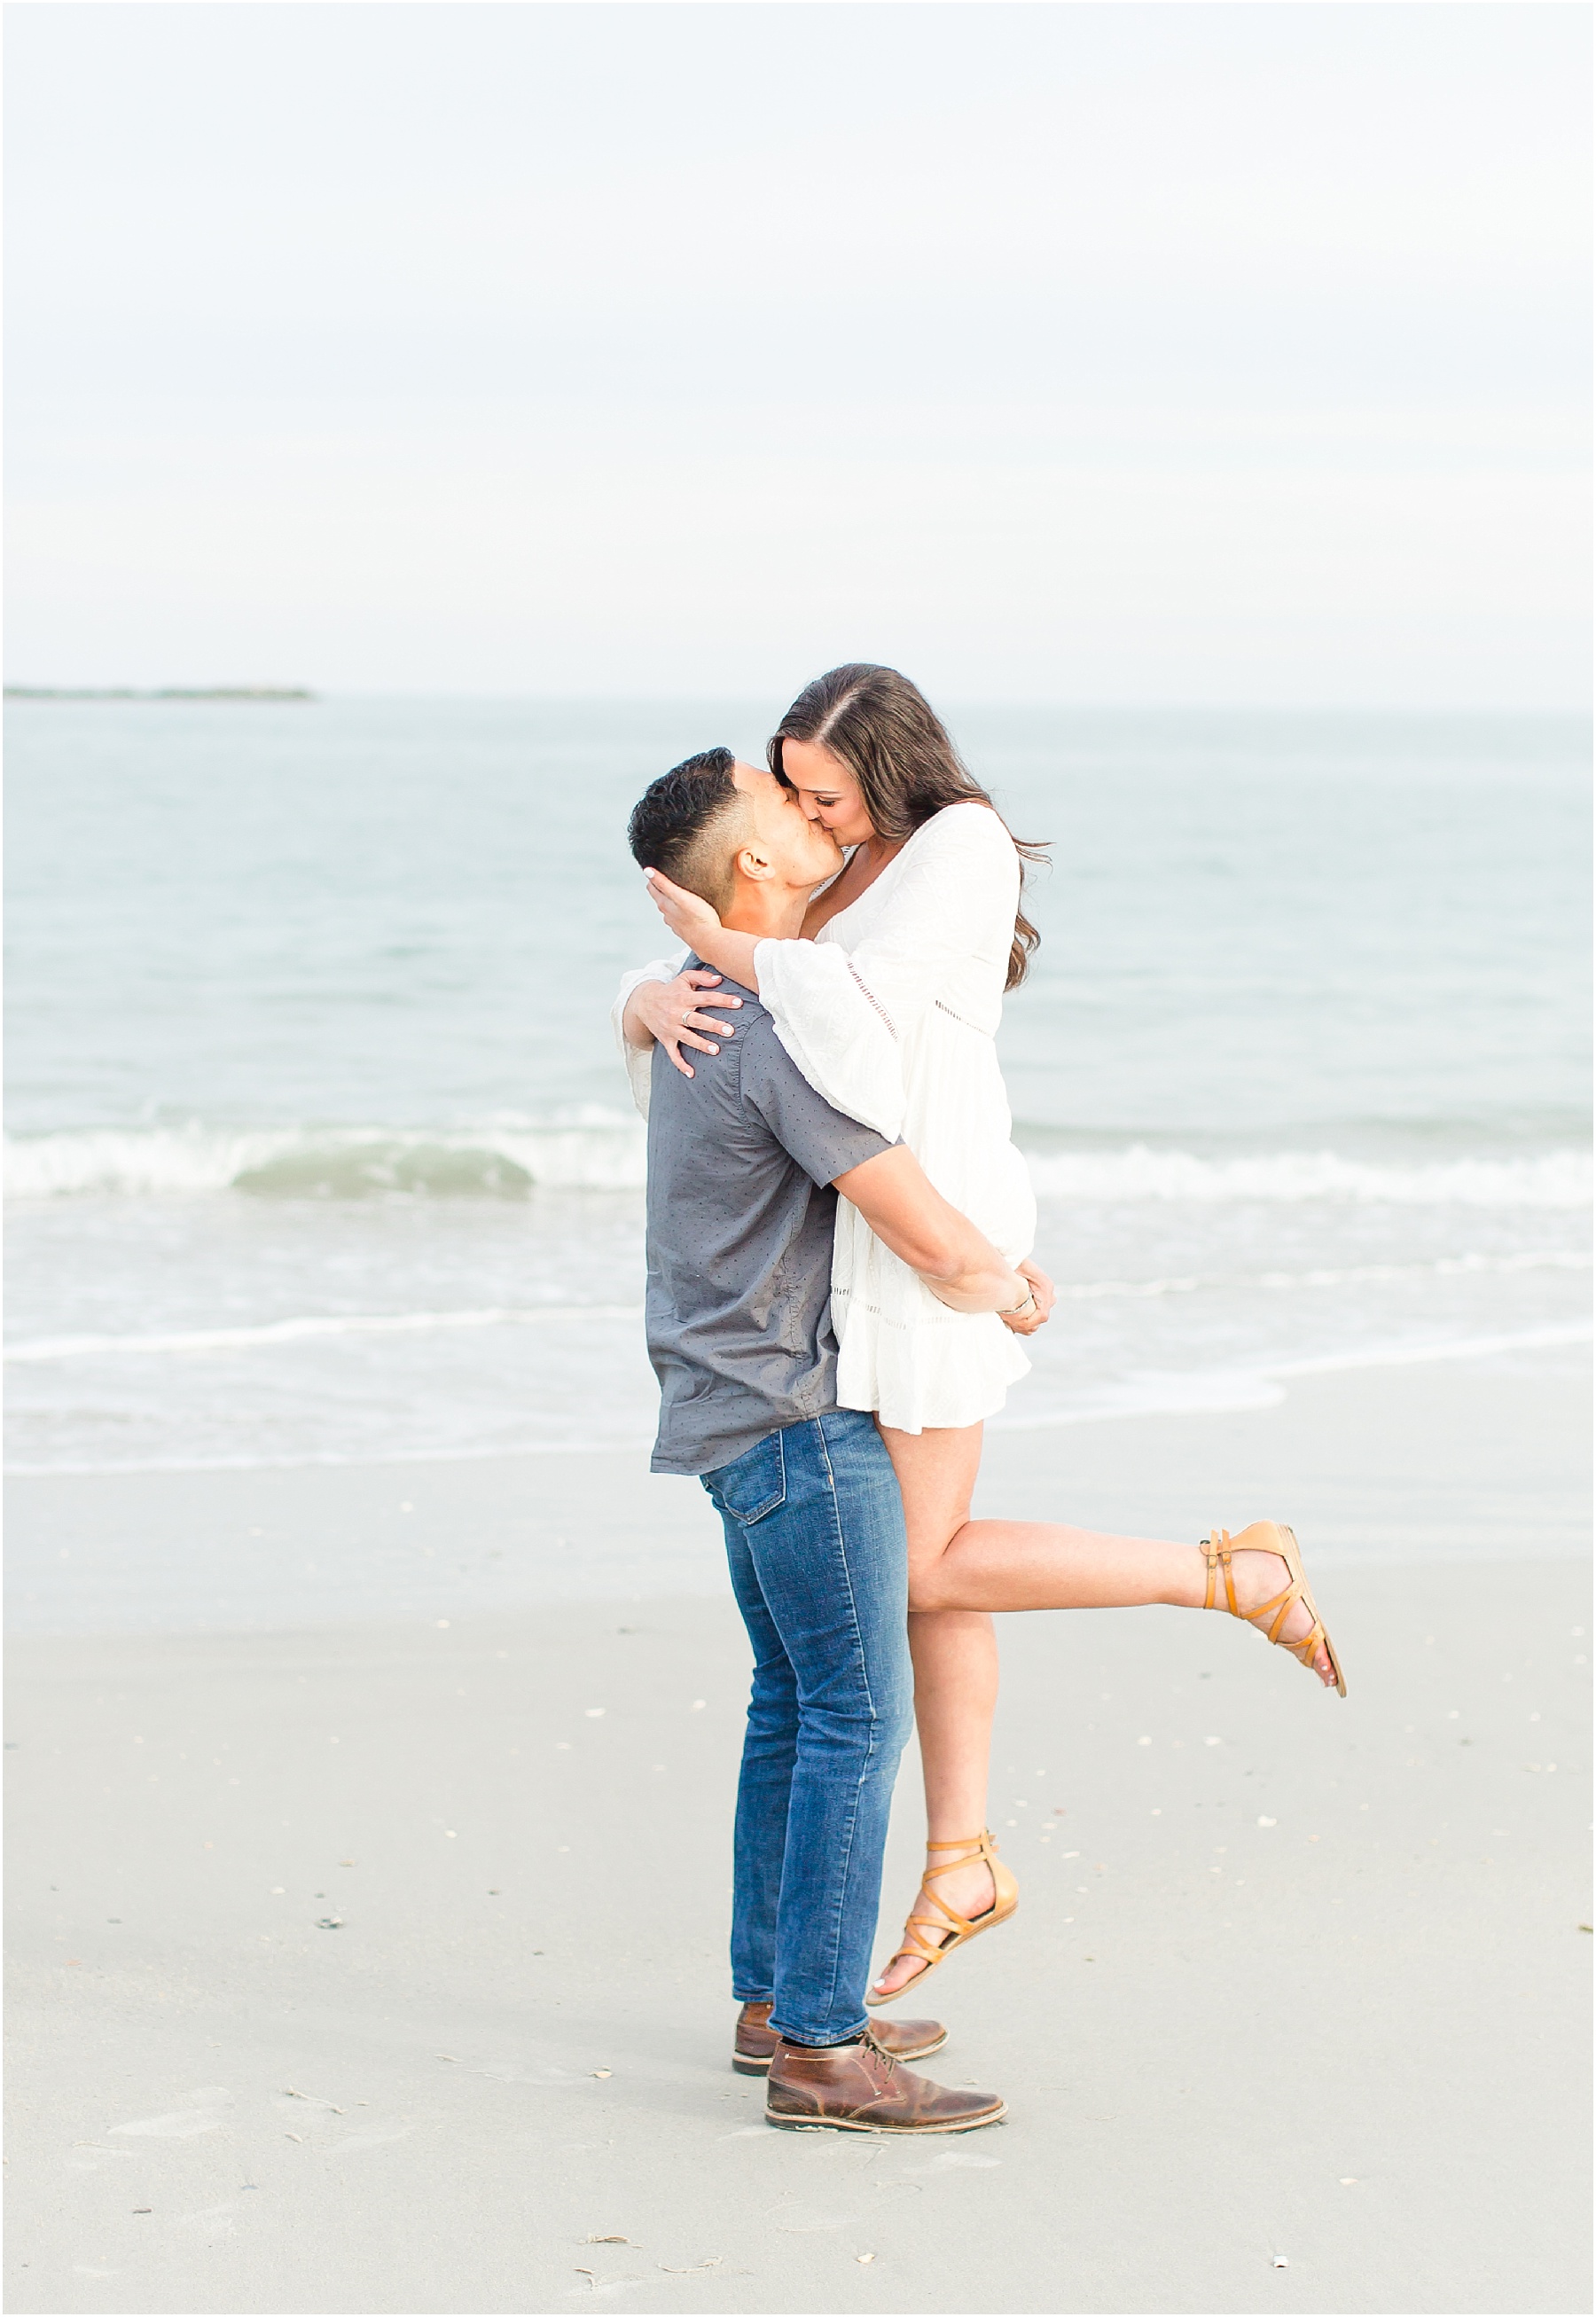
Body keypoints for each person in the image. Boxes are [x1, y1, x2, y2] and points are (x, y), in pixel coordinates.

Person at [617, 672, 1346, 2009]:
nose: (809, 807)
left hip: (924, 1235)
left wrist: (983, 1264)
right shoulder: (836, 871)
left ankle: (1222, 1577)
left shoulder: (957, 847)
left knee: (916, 1570)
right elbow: (750, 928)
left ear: (884, 771)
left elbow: (843, 1016)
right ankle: (958, 1854)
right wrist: (642, 988)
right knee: (907, 1577)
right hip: (886, 1241)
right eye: (792, 790)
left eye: (822, 786)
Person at [627, 745, 1023, 2133]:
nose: (813, 818)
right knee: (856, 1714)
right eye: (787, 806)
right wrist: (1005, 1280)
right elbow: (903, 1205)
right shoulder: (770, 1022)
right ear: (753, 866)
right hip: (796, 1416)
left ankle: (770, 1997)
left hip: (723, 1407)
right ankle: (820, 2046)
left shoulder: (698, 1005)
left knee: (792, 1705)